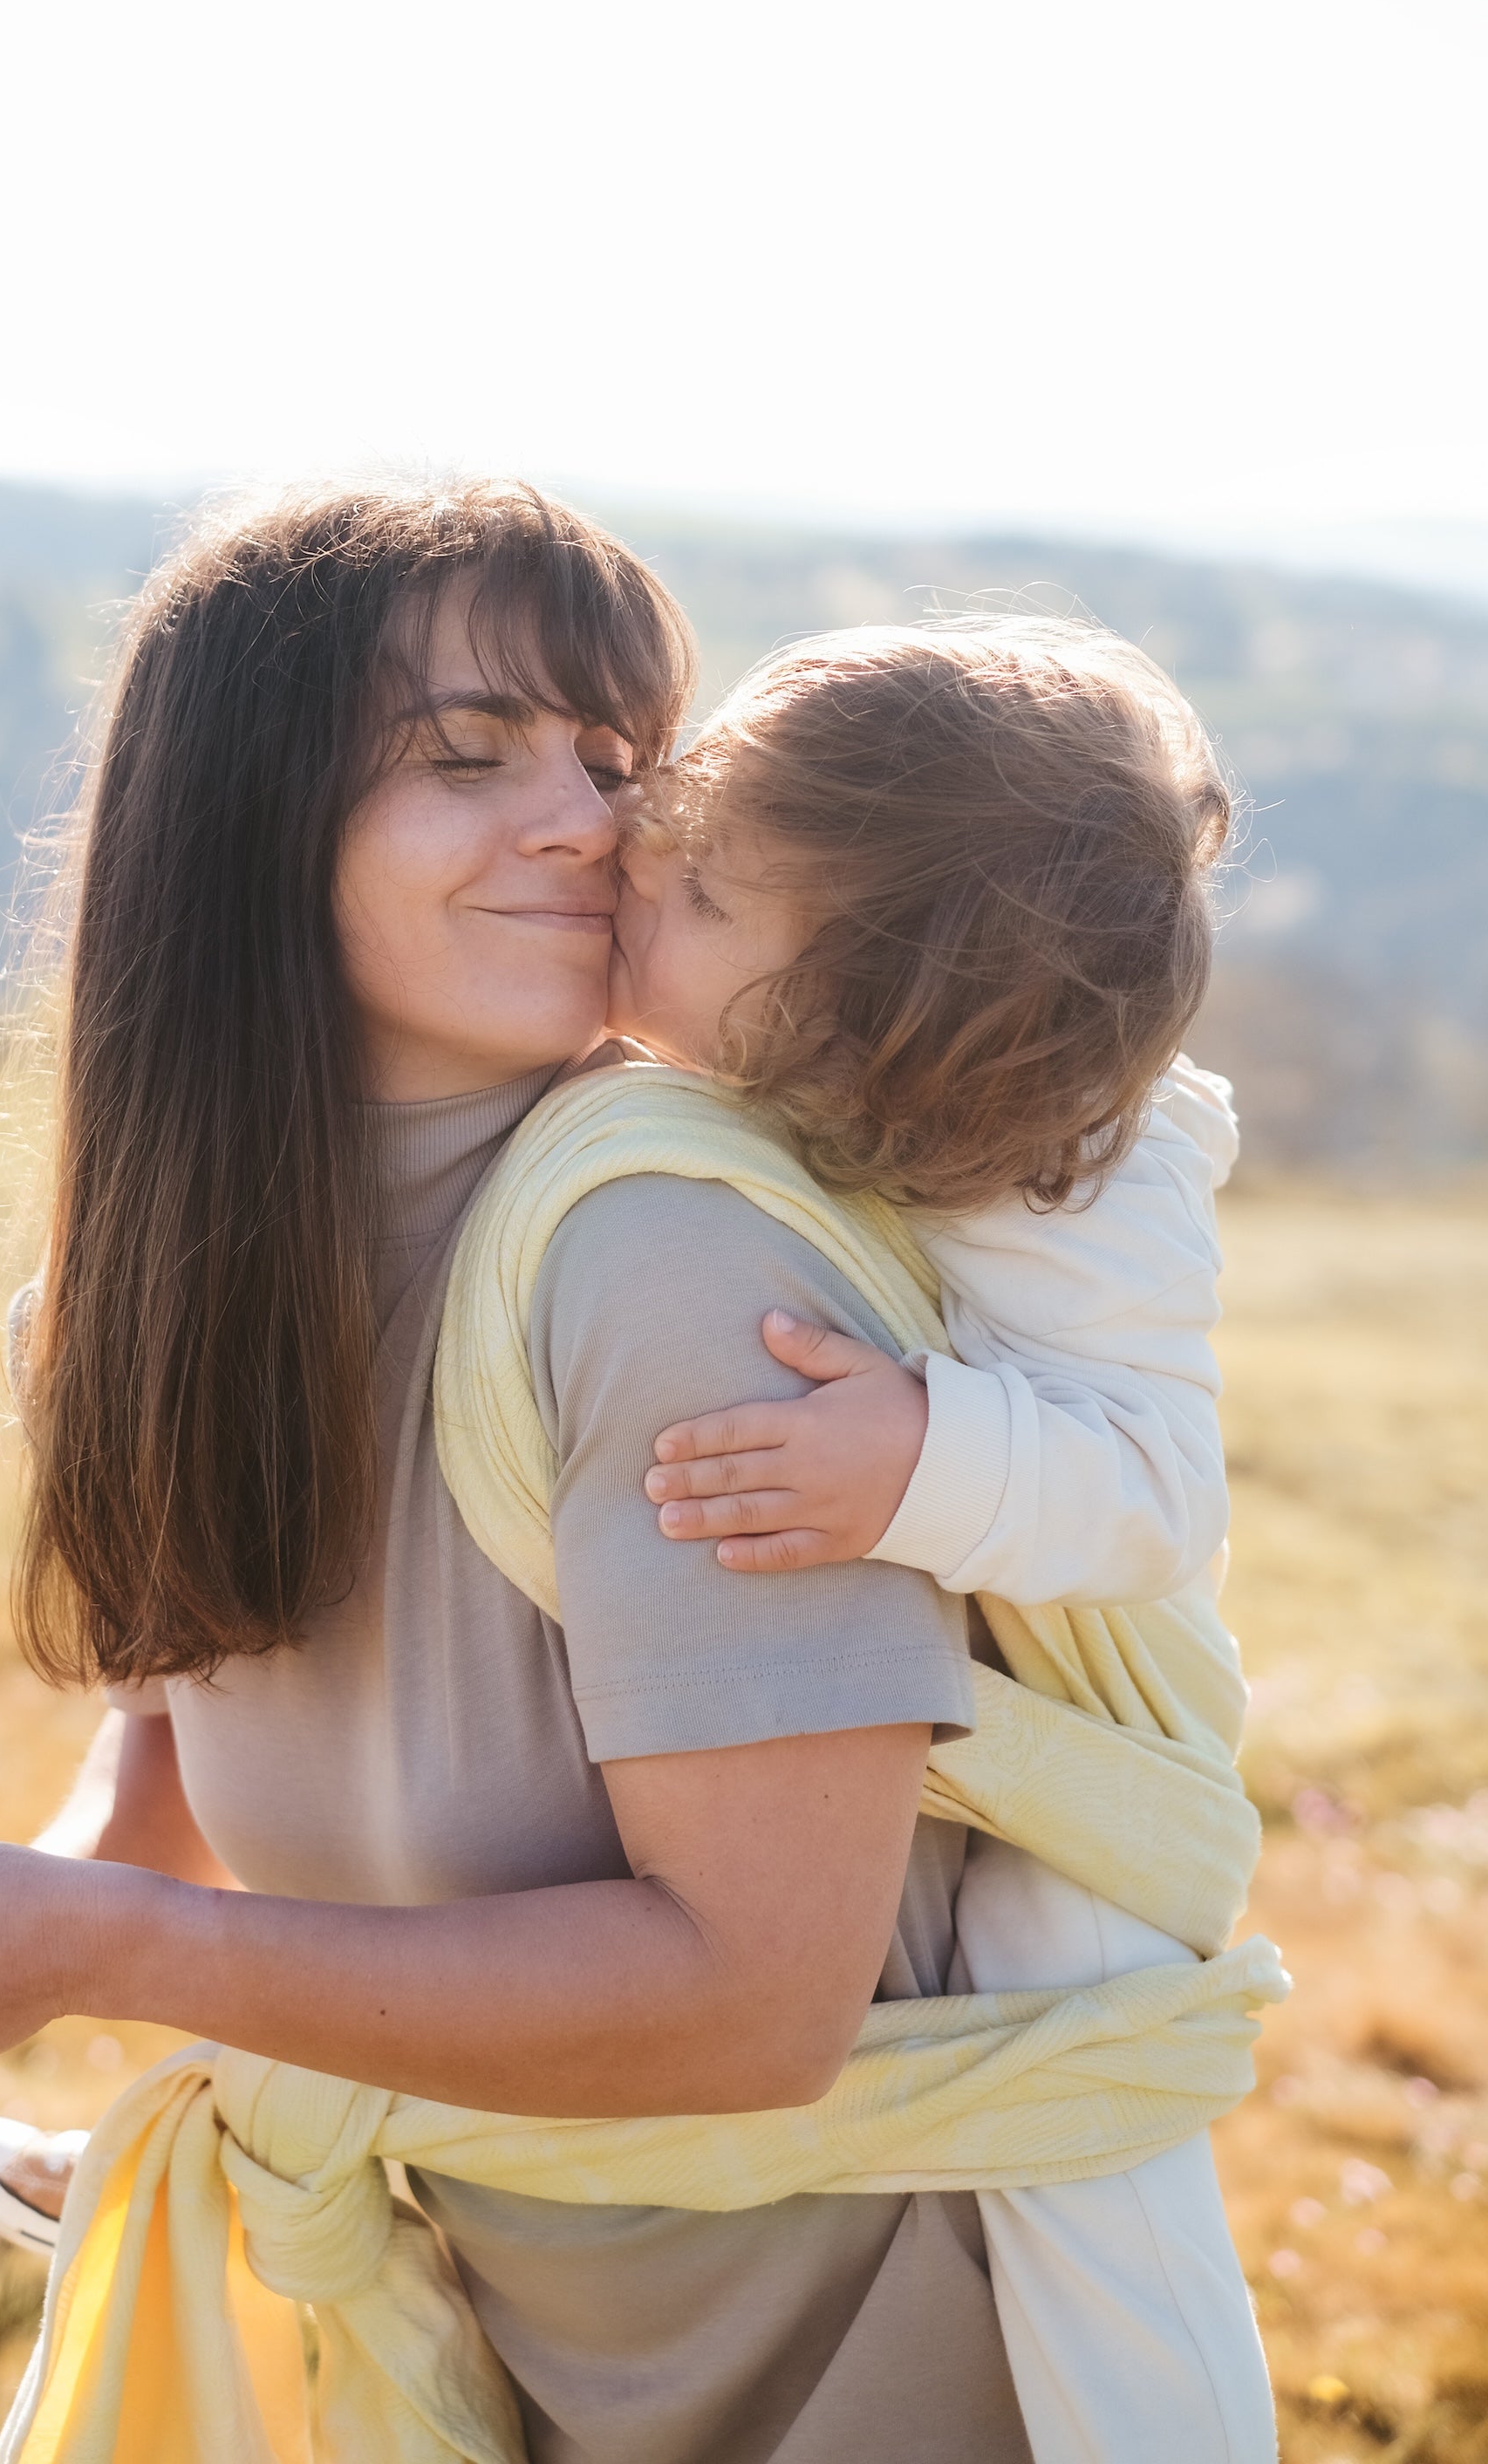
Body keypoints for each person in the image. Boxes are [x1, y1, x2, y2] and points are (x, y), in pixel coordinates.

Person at [0, 486, 1037, 2463]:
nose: (589, 818)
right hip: (451, 2323)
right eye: (465, 756)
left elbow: (755, 2000)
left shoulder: (669, 1262)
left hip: (833, 2355)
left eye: (618, 758)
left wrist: (93, 1950)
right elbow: (174, 1770)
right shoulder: (116, 1309)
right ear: (243, 819)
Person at [598, 620, 1275, 2461]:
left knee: (1082, 2139)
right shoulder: (754, 1080)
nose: (632, 881)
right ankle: (247, 2120)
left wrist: (922, 1455)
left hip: (1084, 1759)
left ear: (874, 1016)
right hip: (904, 1712)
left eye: (706, 891)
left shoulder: (1087, 1174)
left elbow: (1157, 1488)